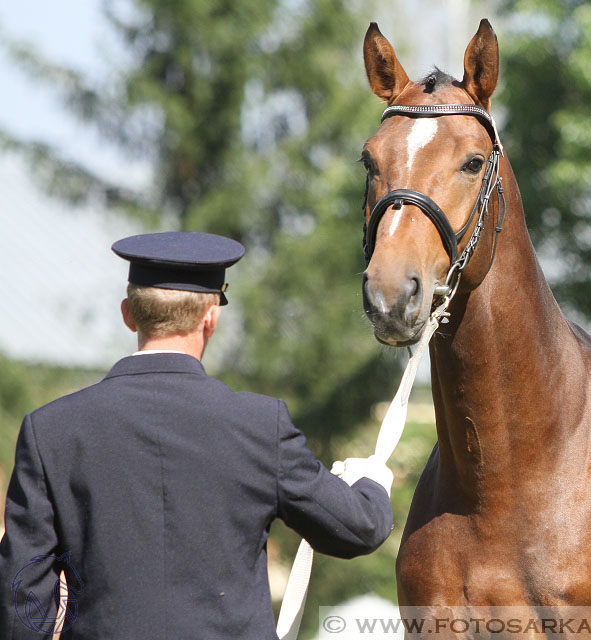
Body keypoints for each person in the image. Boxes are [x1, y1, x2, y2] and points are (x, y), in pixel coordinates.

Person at [0, 231, 394, 639]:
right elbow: (357, 529)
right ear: (211, 317)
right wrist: (372, 483)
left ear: (128, 314)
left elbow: (22, 597)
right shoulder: (260, 424)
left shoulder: (50, 429)